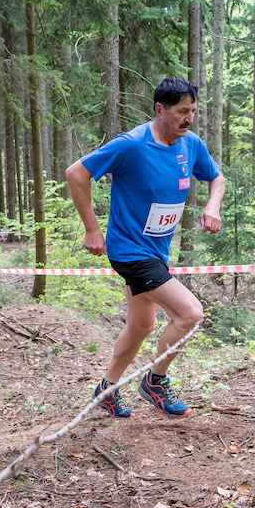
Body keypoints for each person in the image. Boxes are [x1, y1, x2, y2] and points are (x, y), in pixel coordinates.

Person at [65, 77, 225, 419]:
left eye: (193, 111)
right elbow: (76, 173)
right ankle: (156, 381)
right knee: (190, 313)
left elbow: (216, 177)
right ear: (159, 109)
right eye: (182, 111)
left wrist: (213, 206)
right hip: (129, 251)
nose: (189, 118)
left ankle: (106, 390)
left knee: (141, 326)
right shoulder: (132, 145)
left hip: (156, 252)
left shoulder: (190, 145)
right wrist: (92, 229)